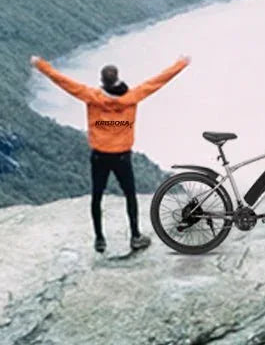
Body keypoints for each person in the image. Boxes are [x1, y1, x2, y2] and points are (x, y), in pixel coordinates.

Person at [30, 54, 191, 253]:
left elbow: (63, 81)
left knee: (97, 196)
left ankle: (99, 239)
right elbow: (158, 81)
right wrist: (181, 64)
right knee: (130, 195)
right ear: (117, 79)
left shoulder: (92, 96)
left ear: (102, 81)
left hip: (99, 155)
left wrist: (40, 65)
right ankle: (135, 236)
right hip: (122, 156)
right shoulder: (132, 96)